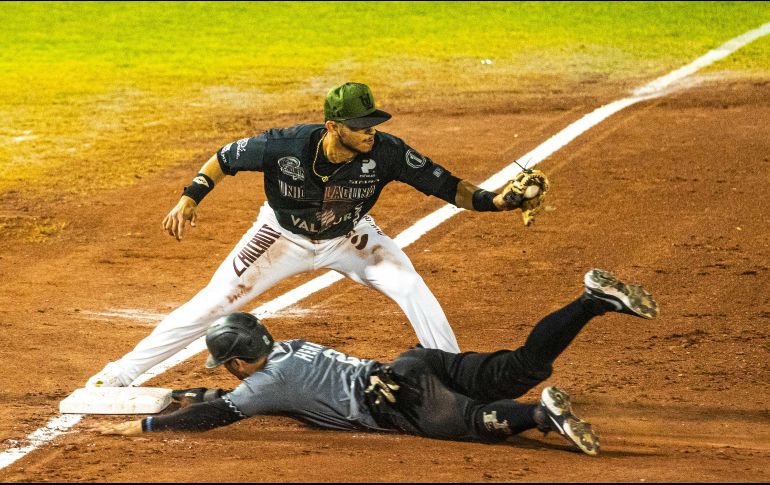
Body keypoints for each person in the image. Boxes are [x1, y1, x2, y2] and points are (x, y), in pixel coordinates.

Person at [86, 82, 548, 387]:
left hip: (351, 236)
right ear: (332, 127)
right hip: (281, 236)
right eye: (360, 125)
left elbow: (447, 185)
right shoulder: (284, 145)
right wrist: (190, 196)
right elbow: (225, 158)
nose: (371, 132)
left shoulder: (386, 153)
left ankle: (453, 379)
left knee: (409, 285)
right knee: (211, 305)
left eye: (374, 123)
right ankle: (118, 376)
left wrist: (499, 201)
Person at [92, 269, 659, 456]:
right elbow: (237, 399)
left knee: (469, 424)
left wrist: (153, 423)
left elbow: (220, 416)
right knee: (519, 362)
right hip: (415, 364)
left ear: (240, 361)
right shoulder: (291, 351)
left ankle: (540, 417)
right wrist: (198, 393)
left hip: (400, 402)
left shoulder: (265, 385)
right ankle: (590, 301)